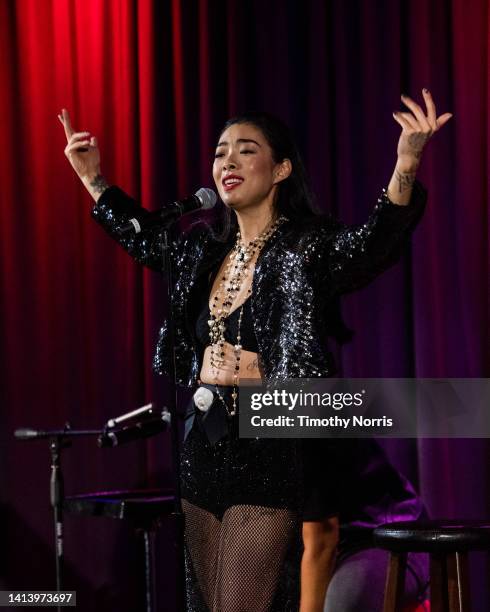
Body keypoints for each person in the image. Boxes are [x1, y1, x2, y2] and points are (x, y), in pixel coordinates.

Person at [59, 91, 451, 611]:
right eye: (221, 152)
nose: (228, 162)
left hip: (267, 443)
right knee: (209, 603)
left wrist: (406, 163)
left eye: (246, 150)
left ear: (281, 168)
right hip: (203, 444)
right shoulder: (200, 249)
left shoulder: (304, 247)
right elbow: (143, 237)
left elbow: (371, 246)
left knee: (240, 603)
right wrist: (93, 179)